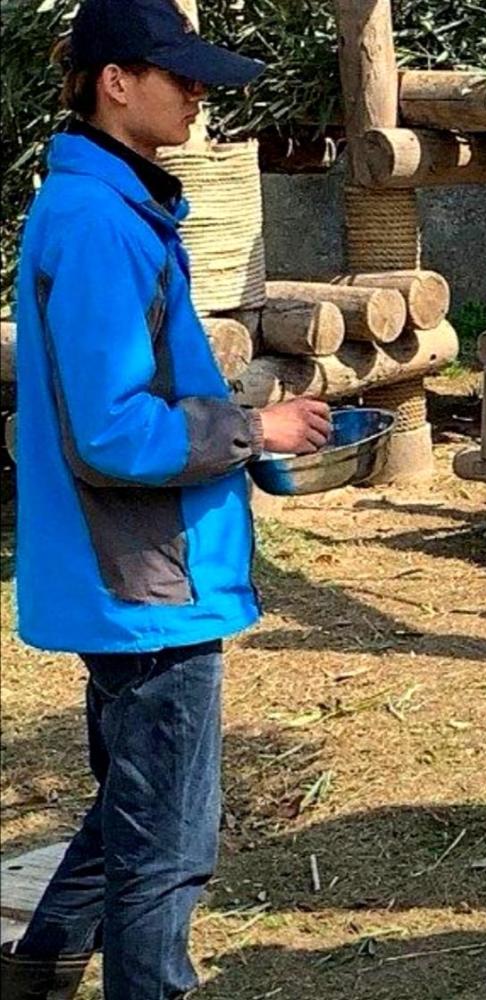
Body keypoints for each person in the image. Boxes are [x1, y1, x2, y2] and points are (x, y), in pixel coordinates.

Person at [1, 1, 331, 997]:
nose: (197, 96)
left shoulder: (109, 207)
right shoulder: (101, 223)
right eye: (179, 76)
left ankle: (41, 965)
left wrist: (251, 441)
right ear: (115, 82)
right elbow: (111, 431)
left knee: (134, 808)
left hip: (134, 573)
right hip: (146, 582)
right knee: (168, 846)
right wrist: (254, 430)